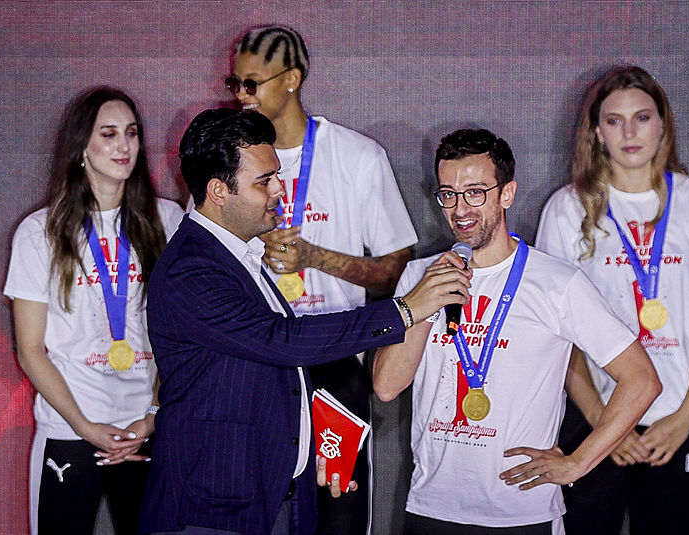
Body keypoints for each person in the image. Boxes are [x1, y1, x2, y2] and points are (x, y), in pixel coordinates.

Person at [138, 108, 470, 535]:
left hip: (271, 492)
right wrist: (405, 310)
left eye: (277, 174)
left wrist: (307, 450)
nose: (280, 189)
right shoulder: (192, 268)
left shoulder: (239, 254)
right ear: (219, 190)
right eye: (264, 181)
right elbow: (284, 342)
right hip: (211, 507)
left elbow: (269, 376)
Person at [372, 128, 661, 534]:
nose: (460, 209)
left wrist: (578, 463)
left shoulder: (556, 282)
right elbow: (387, 386)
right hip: (432, 505)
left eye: (475, 192)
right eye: (448, 194)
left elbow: (642, 380)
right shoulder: (420, 275)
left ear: (506, 194)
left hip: (521, 512)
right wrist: (424, 301)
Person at [535, 66, 689, 534]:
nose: (629, 132)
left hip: (682, 424)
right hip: (594, 422)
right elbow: (557, 334)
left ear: (663, 125)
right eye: (614, 120)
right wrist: (604, 422)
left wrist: (685, 418)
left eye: (641, 118)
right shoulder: (567, 209)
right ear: (597, 131)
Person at [221, 24, 419, 534]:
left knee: (339, 514)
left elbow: (395, 271)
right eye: (234, 83)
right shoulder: (225, 162)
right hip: (257, 359)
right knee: (257, 510)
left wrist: (313, 257)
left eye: (252, 83)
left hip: (334, 359)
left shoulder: (357, 156)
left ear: (292, 79)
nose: (240, 95)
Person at [3, 87, 184, 535]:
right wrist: (85, 426)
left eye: (132, 133)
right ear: (82, 145)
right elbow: (30, 349)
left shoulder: (169, 220)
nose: (124, 146)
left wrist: (153, 417)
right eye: (108, 134)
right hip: (70, 428)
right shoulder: (40, 232)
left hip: (148, 427)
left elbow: (181, 333)